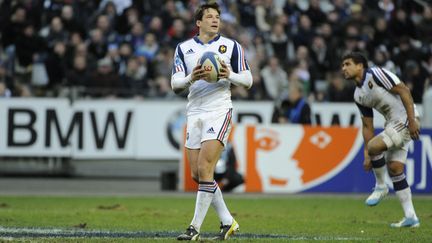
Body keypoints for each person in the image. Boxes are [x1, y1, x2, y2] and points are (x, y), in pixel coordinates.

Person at [171, 2, 252, 241]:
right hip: (194, 111)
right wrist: (189, 78)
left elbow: (248, 80)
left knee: (206, 169)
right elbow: (175, 83)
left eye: (217, 16)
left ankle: (194, 228)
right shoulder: (183, 48)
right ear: (198, 22)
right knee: (198, 174)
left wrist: (230, 75)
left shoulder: (231, 47)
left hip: (219, 109)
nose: (215, 20)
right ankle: (228, 221)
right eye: (209, 17)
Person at [341, 52, 420, 228]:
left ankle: (381, 186)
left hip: (406, 119)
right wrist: (366, 154)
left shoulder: (376, 74)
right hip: (392, 123)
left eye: (347, 64)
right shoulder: (358, 95)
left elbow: (404, 90)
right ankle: (411, 217)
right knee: (395, 168)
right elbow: (367, 126)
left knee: (374, 146)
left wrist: (412, 119)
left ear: (360, 65)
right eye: (342, 65)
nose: (343, 68)